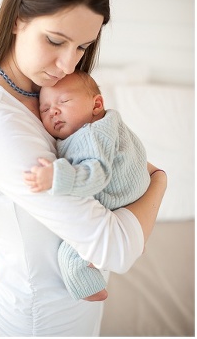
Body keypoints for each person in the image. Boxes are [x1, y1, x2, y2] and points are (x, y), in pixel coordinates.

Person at [0, 0, 167, 336]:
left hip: (69, 310)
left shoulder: (45, 91)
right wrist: (160, 182)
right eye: (56, 40)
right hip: (38, 319)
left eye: (83, 47)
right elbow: (114, 248)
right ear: (18, 20)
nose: (69, 64)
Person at [22, 71, 150, 302]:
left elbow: (96, 176)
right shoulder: (97, 127)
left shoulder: (89, 134)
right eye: (45, 109)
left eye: (64, 101)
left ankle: (92, 289)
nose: (54, 111)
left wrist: (56, 177)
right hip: (133, 186)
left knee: (70, 254)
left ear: (97, 104)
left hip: (119, 194)